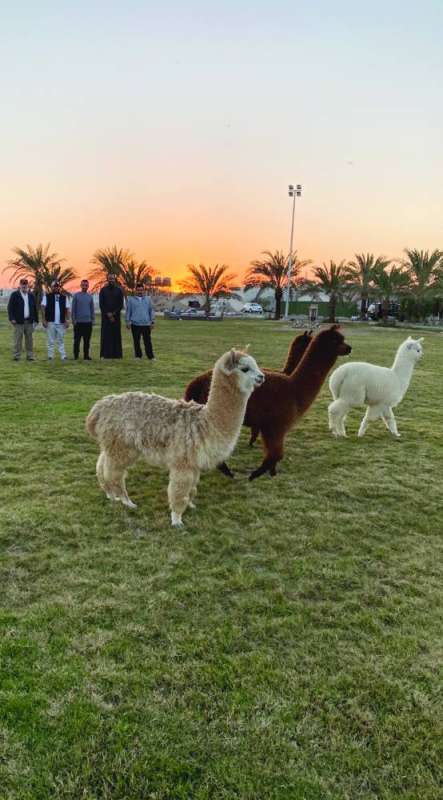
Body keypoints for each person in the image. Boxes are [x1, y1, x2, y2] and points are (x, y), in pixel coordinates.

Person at [7, 278, 39, 361]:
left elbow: (34, 308)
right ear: (20, 285)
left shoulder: (31, 295)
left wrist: (36, 320)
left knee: (29, 340)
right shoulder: (15, 295)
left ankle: (30, 356)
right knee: (18, 339)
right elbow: (10, 308)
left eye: (25, 284)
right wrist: (12, 318)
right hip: (18, 322)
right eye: (22, 284)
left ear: (27, 285)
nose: (24, 286)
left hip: (29, 321)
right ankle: (17, 356)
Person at [41, 281, 71, 360]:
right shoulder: (47, 296)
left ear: (59, 287)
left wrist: (67, 320)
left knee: (61, 340)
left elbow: (67, 309)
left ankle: (63, 356)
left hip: (61, 322)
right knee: (50, 340)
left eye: (57, 286)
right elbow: (43, 308)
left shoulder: (64, 297)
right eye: (54, 286)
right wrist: (44, 320)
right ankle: (50, 356)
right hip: (50, 322)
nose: (56, 288)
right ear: (52, 287)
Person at [125, 283, 155, 360]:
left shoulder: (148, 299)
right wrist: (127, 321)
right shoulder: (131, 300)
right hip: (135, 324)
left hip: (146, 324)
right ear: (135, 291)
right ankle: (138, 356)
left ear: (144, 290)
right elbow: (128, 311)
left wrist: (152, 322)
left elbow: (151, 311)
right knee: (136, 341)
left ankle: (150, 356)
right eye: (138, 290)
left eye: (141, 290)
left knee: (147, 341)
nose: (140, 292)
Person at [99, 274, 124, 359]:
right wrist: (108, 314)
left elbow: (121, 305)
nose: (111, 280)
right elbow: (101, 304)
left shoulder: (119, 290)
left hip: (116, 318)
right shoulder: (103, 290)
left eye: (112, 279)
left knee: (116, 336)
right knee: (105, 336)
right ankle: (105, 355)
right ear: (107, 279)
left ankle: (117, 355)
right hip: (106, 318)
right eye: (110, 279)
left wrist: (113, 314)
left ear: (115, 280)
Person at [71, 279, 95, 360]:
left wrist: (93, 320)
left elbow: (92, 309)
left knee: (87, 341)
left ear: (88, 286)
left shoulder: (90, 297)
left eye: (86, 285)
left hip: (88, 322)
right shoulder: (76, 296)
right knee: (77, 340)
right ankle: (76, 356)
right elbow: (73, 309)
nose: (85, 286)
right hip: (78, 323)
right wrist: (73, 320)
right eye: (83, 285)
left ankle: (86, 356)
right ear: (81, 286)